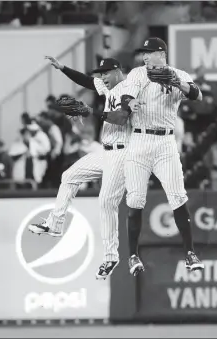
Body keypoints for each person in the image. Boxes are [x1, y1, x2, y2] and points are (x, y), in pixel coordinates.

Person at [28, 56, 142, 280]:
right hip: (107, 150)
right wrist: (63, 68)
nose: (102, 78)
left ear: (117, 70)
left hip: (124, 152)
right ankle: (55, 224)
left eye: (105, 73)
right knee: (69, 175)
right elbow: (87, 82)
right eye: (101, 74)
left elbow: (120, 118)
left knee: (106, 202)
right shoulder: (109, 87)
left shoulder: (130, 88)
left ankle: (111, 257)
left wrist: (91, 112)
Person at [121, 37, 205, 276]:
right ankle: (133, 256)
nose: (145, 56)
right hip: (139, 139)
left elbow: (197, 95)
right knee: (135, 199)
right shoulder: (138, 74)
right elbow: (126, 96)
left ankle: (190, 253)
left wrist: (178, 83)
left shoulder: (178, 74)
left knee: (178, 196)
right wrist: (131, 103)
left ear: (161, 53)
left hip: (166, 142)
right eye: (143, 53)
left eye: (149, 52)